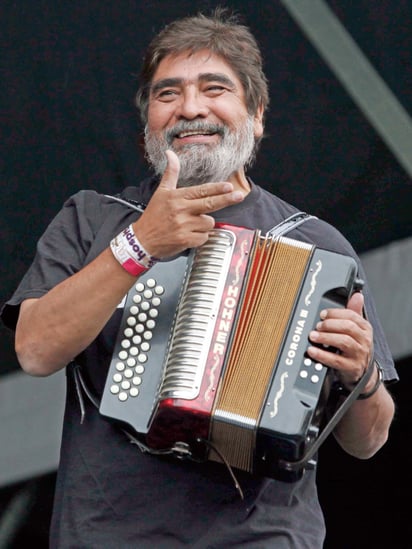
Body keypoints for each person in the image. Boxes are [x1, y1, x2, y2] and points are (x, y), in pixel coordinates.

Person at [1, 9, 397, 549]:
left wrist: (363, 378)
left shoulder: (316, 243)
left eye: (215, 89)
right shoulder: (93, 218)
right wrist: (139, 244)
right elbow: (36, 351)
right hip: (108, 534)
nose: (190, 108)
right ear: (148, 123)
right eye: (168, 94)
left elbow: (370, 440)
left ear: (256, 115)